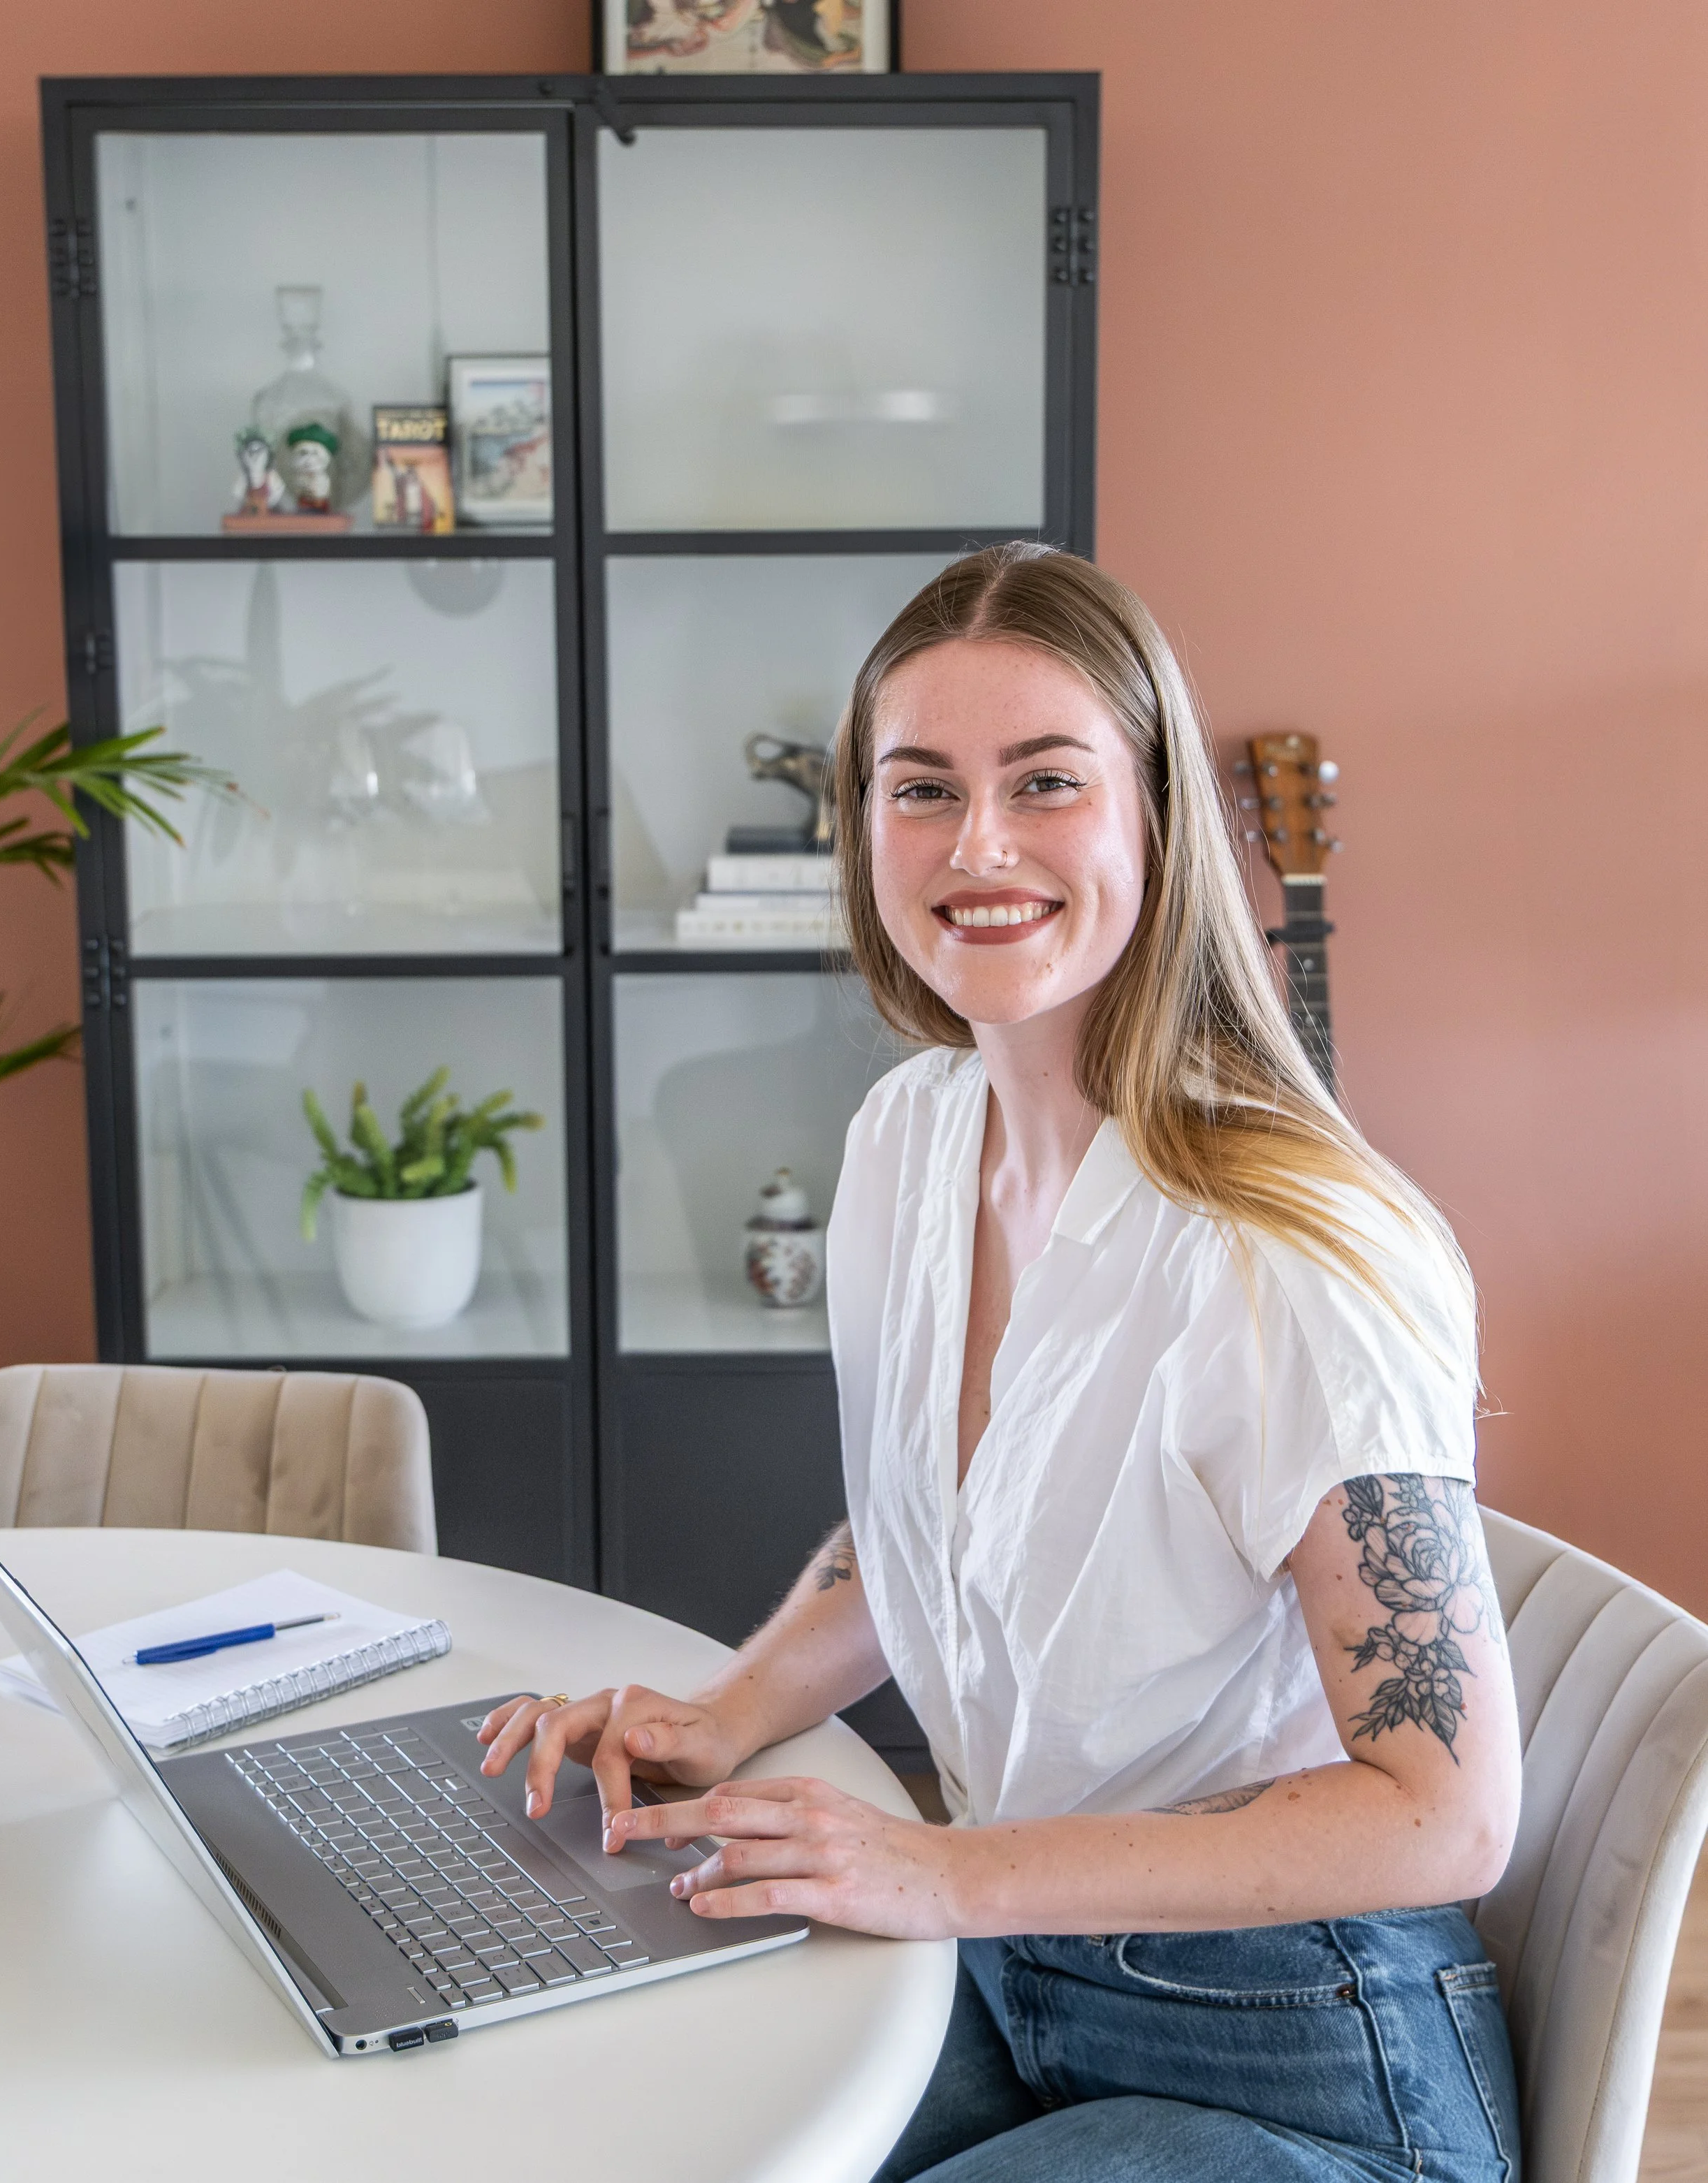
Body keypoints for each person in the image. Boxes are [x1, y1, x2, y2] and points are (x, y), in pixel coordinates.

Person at [477, 545, 1523, 2182]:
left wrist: (941, 1875)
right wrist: (723, 1708)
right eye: (919, 789)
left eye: (1045, 781)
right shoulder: (908, 1139)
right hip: (1002, 1963)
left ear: (1153, 818)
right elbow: (930, 1535)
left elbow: (1441, 1810)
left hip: (1290, 2054)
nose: (977, 846)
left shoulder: (1290, 1248)